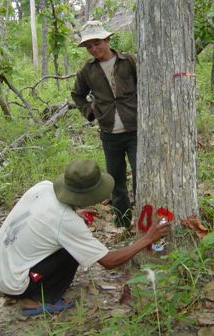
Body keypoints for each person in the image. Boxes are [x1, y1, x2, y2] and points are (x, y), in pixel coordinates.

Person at [0, 160, 169, 316]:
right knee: (71, 252)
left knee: (67, 244)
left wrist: (74, 212)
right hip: (15, 284)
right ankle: (35, 301)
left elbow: (41, 216)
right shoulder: (65, 221)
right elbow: (108, 261)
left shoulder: (42, 187)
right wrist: (147, 238)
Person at [71, 20, 137, 228]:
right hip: (109, 133)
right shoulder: (87, 71)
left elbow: (145, 85)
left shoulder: (128, 62)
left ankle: (146, 220)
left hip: (135, 130)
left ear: (107, 40)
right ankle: (123, 222)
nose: (94, 49)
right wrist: (91, 111)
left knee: (141, 175)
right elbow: (77, 94)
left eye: (97, 43)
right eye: (89, 46)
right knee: (116, 180)